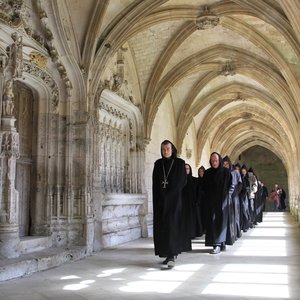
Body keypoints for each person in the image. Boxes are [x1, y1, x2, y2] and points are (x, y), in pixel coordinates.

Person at [152, 140, 186, 268]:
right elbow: (155, 184)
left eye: (167, 149)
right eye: (163, 149)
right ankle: (166, 253)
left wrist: (170, 195)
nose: (165, 151)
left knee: (172, 227)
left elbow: (181, 182)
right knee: (163, 228)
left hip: (174, 202)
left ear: (172, 150)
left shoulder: (179, 163)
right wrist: (160, 197)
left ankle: (172, 254)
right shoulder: (158, 164)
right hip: (161, 202)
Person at [203, 152, 234, 254]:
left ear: (219, 161)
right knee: (213, 223)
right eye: (212, 161)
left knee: (221, 223)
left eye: (216, 160)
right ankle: (216, 244)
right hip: (211, 203)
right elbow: (204, 188)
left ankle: (221, 242)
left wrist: (227, 196)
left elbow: (231, 186)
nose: (214, 162)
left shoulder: (226, 172)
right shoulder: (207, 173)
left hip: (222, 202)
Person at [223, 156, 242, 243]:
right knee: (228, 216)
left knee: (235, 215)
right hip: (226, 197)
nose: (225, 165)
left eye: (227, 164)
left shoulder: (235, 172)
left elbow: (240, 184)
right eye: (224, 164)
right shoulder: (223, 172)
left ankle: (237, 233)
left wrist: (236, 194)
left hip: (234, 197)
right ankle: (229, 234)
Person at [181, 164, 196, 250]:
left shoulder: (193, 180)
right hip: (181, 206)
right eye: (185, 169)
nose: (186, 170)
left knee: (187, 226)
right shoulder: (180, 180)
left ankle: (186, 245)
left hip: (190, 207)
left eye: (187, 169)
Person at [239, 164, 250, 232]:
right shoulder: (240, 177)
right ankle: (242, 226)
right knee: (241, 211)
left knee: (245, 210)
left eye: (244, 171)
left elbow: (248, 188)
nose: (243, 172)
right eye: (242, 171)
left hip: (245, 196)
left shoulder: (247, 178)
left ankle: (246, 226)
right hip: (240, 196)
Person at [195, 166, 205, 235]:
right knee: (199, 216)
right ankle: (200, 230)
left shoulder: (207, 180)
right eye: (199, 171)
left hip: (205, 200)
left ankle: (205, 229)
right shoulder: (196, 180)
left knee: (205, 216)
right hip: (198, 200)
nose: (201, 173)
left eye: (202, 171)